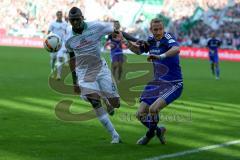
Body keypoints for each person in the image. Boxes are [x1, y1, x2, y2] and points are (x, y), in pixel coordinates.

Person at [65, 7, 121, 144]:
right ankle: (114, 135)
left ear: (82, 17)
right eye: (72, 20)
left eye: (77, 19)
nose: (75, 22)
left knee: (116, 103)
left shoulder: (96, 26)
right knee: (94, 101)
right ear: (69, 21)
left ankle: (107, 100)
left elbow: (116, 25)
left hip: (101, 68)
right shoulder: (69, 39)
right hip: (84, 73)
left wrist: (118, 31)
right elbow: (72, 59)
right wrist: (75, 81)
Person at [125, 18, 183, 145]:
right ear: (151, 30)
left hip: (173, 82)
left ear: (164, 29)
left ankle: (149, 135)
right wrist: (125, 41)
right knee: (140, 114)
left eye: (160, 29)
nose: (158, 32)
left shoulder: (168, 37)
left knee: (153, 109)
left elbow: (176, 49)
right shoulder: (150, 40)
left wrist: (160, 56)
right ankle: (158, 130)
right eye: (155, 29)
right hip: (157, 82)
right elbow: (137, 51)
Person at [48, 11, 68, 80]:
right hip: (53, 44)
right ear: (56, 15)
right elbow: (48, 33)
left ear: (62, 15)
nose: (59, 15)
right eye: (58, 14)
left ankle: (59, 75)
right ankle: (52, 70)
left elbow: (66, 32)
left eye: (61, 14)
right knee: (53, 59)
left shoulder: (65, 24)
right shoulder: (53, 24)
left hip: (61, 44)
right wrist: (48, 42)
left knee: (60, 59)